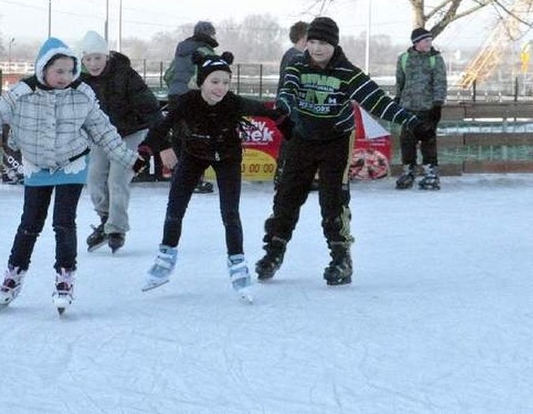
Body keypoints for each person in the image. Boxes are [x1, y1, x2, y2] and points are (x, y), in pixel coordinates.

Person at [0, 37, 147, 314]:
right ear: (43, 69)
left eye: (70, 71)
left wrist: (129, 160)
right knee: (30, 223)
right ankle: (12, 277)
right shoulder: (20, 95)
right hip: (37, 166)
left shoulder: (82, 95)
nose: (65, 77)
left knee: (64, 223)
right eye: (59, 71)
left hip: (71, 165)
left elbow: (104, 132)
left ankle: (65, 277)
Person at [255, 17, 434, 286]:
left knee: (333, 201)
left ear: (334, 44)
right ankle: (274, 252)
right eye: (312, 42)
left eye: (323, 43)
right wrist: (284, 107)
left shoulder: (348, 73)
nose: (316, 48)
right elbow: (287, 92)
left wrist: (414, 122)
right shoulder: (296, 65)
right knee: (286, 197)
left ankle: (341, 258)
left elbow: (378, 101)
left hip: (335, 142)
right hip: (300, 140)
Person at [138, 51, 290, 302]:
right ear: (202, 83)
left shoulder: (234, 103)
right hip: (193, 156)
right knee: (175, 207)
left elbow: (270, 113)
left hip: (228, 159)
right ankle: (165, 260)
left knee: (230, 213)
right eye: (214, 82)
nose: (220, 88)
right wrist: (144, 153)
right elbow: (161, 128)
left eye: (225, 82)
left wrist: (289, 126)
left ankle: (238, 266)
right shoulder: (187, 102)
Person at [78, 30, 164, 253]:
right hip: (101, 135)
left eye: (98, 57)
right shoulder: (81, 80)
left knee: (118, 179)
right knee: (94, 178)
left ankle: (116, 229)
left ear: (107, 56)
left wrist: (163, 141)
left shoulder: (125, 74)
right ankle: (106, 218)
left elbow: (149, 106)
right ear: (83, 60)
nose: (94, 63)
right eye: (88, 59)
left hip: (130, 133)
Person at [165, 20, 219, 194]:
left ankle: (178, 178)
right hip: (192, 98)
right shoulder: (205, 51)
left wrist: (175, 90)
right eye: (213, 34)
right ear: (208, 34)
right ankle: (194, 180)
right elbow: (204, 77)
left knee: (178, 137)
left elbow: (168, 75)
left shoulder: (181, 50)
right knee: (195, 138)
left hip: (174, 96)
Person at [394, 27, 447, 190]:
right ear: (416, 42)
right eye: (426, 41)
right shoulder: (403, 59)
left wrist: (437, 105)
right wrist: (397, 99)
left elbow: (440, 82)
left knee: (428, 141)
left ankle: (431, 173)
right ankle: (408, 172)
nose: (429, 44)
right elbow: (400, 81)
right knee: (407, 141)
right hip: (407, 108)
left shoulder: (435, 59)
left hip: (427, 108)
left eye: (430, 41)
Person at [274, 21, 309, 189]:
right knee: (293, 140)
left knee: (292, 140)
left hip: (288, 103)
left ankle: (285, 175)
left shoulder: (291, 54)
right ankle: (284, 176)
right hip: (292, 105)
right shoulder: (296, 56)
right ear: (304, 37)